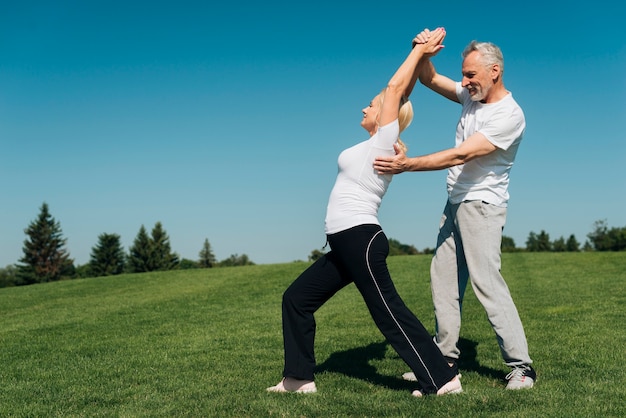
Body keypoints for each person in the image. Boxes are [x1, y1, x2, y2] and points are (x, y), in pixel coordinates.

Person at [267, 27, 462, 397]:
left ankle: (442, 379)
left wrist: (419, 52)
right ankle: (298, 378)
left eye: (370, 106)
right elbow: (397, 93)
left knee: (387, 312)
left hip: (361, 238)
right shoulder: (371, 144)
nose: (365, 108)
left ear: (385, 116)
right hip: (343, 244)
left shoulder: (384, 142)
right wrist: (418, 56)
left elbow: (395, 90)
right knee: (296, 299)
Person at [373, 29, 536, 390]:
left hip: (482, 205)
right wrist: (422, 50)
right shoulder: (471, 98)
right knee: (443, 281)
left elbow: (462, 154)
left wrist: (408, 165)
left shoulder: (509, 115)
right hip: (455, 202)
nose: (464, 82)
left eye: (471, 75)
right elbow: (428, 77)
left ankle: (521, 367)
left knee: (486, 284)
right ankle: (443, 361)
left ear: (495, 71)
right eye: (463, 75)